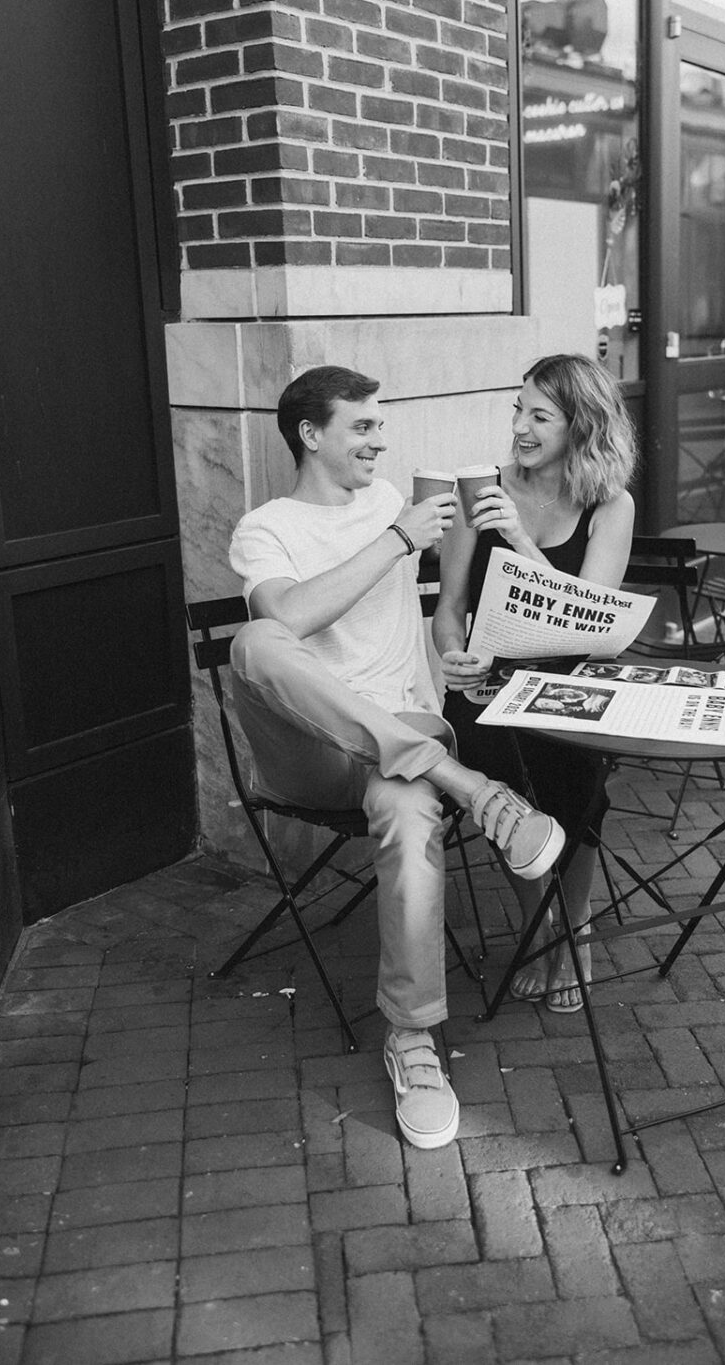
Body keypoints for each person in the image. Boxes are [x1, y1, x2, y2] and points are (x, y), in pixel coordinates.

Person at [228, 366, 569, 1151]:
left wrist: (461, 632)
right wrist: (394, 541)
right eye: (363, 427)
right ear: (312, 436)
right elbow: (289, 615)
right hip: (311, 750)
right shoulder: (267, 527)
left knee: (407, 798)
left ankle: (413, 1042)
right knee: (255, 641)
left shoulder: (394, 503)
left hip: (407, 734)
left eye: (381, 426)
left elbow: (451, 605)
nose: (380, 441)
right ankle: (472, 788)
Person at [433, 353, 637, 1013]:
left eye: (540, 415)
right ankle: (532, 926)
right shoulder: (480, 491)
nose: (520, 426)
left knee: (574, 788)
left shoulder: (611, 504)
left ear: (582, 426)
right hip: (487, 685)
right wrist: (452, 656)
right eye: (517, 409)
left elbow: (591, 615)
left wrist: (520, 538)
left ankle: (574, 931)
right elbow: (449, 610)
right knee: (496, 784)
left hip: (570, 683)